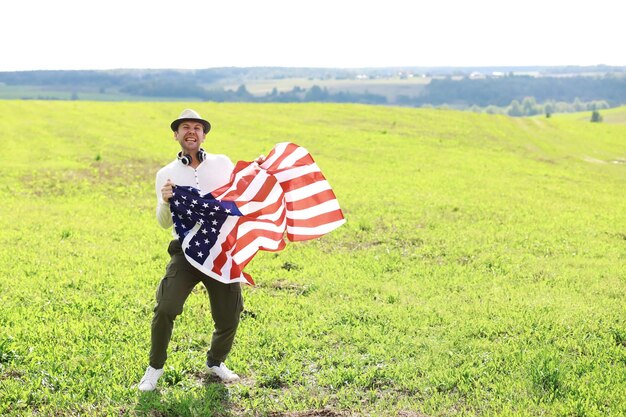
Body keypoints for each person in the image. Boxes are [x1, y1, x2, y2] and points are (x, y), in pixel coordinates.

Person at [138, 109, 255, 391]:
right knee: (166, 307)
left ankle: (216, 362)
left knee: (230, 315)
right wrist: (165, 202)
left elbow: (240, 196)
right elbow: (164, 223)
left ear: (204, 134)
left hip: (222, 251)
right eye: (185, 127)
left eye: (197, 128)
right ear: (176, 135)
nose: (191, 131)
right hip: (186, 251)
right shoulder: (166, 174)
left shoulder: (222, 164)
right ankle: (154, 368)